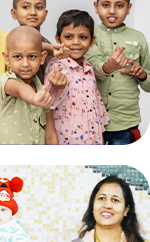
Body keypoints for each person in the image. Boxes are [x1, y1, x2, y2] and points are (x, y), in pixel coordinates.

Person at [85, 0, 150, 145]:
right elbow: (93, 68)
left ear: (129, 8)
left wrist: (142, 75)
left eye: (119, 5)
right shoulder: (89, 34)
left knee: (120, 167)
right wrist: (109, 67)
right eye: (106, 5)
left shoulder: (139, 38)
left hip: (125, 123)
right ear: (96, 6)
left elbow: (149, 85)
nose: (112, 11)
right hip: (92, 122)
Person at [0, 26, 66, 145]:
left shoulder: (42, 90)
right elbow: (20, 88)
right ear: (7, 58)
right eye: (18, 57)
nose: (25, 64)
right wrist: (34, 98)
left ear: (42, 58)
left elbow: (51, 136)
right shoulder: (5, 81)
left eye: (32, 56)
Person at [46, 10, 110, 144]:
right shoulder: (57, 66)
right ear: (58, 40)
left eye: (83, 37)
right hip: (67, 141)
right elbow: (46, 105)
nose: (76, 42)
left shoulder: (89, 68)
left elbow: (96, 105)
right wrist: (55, 87)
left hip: (92, 140)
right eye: (69, 37)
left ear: (92, 41)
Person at [10, 0, 55, 85]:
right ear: (14, 13)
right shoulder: (9, 43)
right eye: (26, 7)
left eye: (39, 7)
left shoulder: (50, 47)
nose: (33, 12)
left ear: (45, 13)